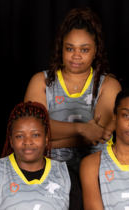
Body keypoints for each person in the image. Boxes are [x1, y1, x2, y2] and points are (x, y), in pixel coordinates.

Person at [24, 7, 121, 171]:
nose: (76, 56)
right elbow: (30, 130)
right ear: (61, 48)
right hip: (47, 171)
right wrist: (82, 129)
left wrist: (46, 141)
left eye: (84, 49)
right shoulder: (41, 81)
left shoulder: (109, 84)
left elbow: (99, 135)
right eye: (70, 48)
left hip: (95, 171)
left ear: (96, 50)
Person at [0, 101, 83, 210]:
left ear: (46, 139)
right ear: (11, 140)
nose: (28, 142)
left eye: (35, 135)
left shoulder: (66, 176)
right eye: (20, 136)